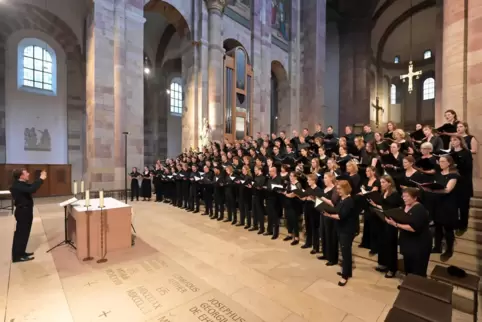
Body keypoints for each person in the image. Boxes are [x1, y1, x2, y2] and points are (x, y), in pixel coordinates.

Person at [386, 188, 432, 277]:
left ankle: (415, 288)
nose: (404, 198)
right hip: (408, 241)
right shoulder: (405, 206)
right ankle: (408, 284)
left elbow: (413, 228)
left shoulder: (419, 209)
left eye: (407, 196)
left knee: (417, 269)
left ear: (415, 198)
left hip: (419, 243)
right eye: (403, 196)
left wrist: (395, 224)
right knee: (408, 266)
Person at [323, 180, 357, 286]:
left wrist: (328, 215)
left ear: (346, 189)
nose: (337, 191)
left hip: (347, 230)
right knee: (344, 251)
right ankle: (347, 271)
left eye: (339, 189)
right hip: (341, 228)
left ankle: (345, 276)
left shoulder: (349, 201)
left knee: (345, 253)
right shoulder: (341, 199)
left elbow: (340, 216)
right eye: (337, 189)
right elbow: (336, 209)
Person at [10, 168, 47, 262]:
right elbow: (32, 189)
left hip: (25, 211)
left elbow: (31, 186)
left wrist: (39, 179)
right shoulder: (17, 186)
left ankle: (21, 252)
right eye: (26, 173)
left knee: (24, 233)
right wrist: (41, 179)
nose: (28, 174)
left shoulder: (20, 184)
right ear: (21, 176)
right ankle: (18, 256)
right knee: (21, 234)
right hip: (23, 212)